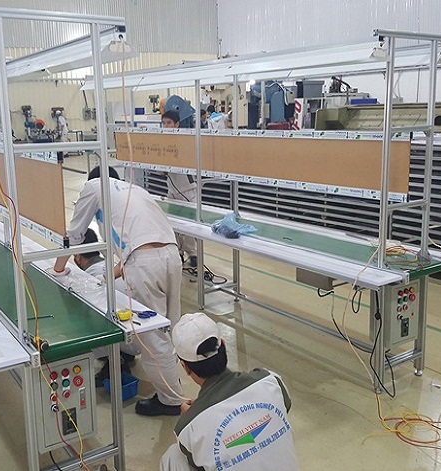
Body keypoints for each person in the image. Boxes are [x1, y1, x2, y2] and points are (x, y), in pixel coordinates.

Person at [53, 166, 185, 416]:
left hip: (145, 263)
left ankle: (170, 401)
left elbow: (74, 236)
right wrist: (106, 277)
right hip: (171, 256)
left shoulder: (94, 187)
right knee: (168, 327)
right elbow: (135, 249)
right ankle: (172, 383)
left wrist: (58, 269)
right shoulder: (134, 191)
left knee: (152, 338)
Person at [161, 313, 298, 471]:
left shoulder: (188, 427)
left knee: (173, 457)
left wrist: (194, 416)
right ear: (224, 345)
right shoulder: (270, 381)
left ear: (185, 367)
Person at [73, 227, 141, 386]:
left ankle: (116, 362)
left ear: (78, 256)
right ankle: (123, 353)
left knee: (80, 321)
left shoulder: (89, 278)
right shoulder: (113, 266)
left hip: (126, 337)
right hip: (144, 335)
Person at [161, 110, 198, 268]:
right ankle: (178, 252)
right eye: (164, 123)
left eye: (169, 123)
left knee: (189, 225)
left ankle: (193, 253)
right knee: (173, 225)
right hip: (172, 190)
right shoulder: (163, 143)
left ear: (176, 124)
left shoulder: (185, 141)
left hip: (187, 190)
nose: (166, 126)